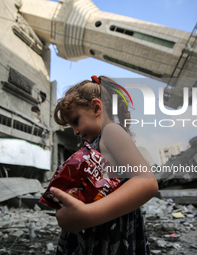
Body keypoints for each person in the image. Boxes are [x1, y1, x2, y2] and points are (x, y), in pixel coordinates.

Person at [51, 75, 159, 255]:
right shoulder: (96, 141)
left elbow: (147, 182)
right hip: (98, 228)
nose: (76, 131)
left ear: (96, 107)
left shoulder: (111, 131)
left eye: (76, 121)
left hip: (108, 229)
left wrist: (87, 214)